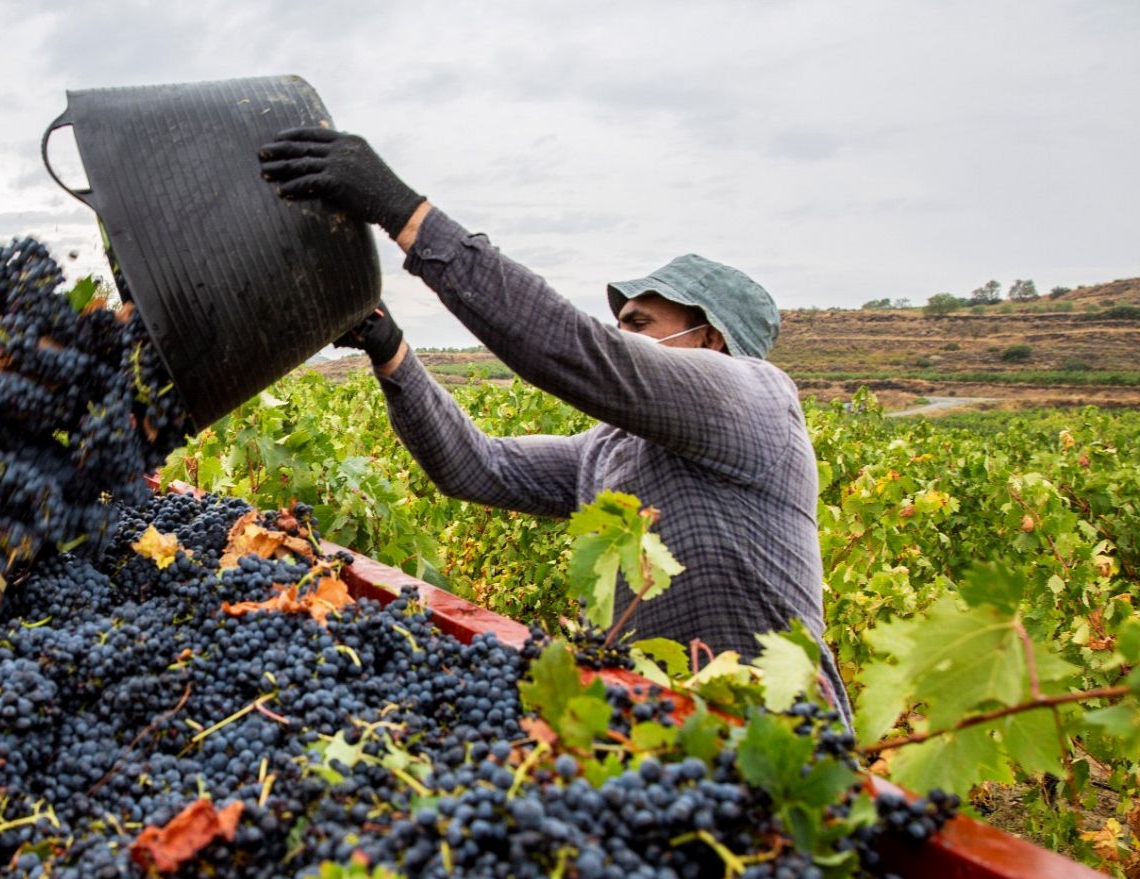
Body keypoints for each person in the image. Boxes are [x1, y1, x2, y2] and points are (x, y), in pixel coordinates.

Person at [258, 128, 851, 724]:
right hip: (658, 743)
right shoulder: (608, 452)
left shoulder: (756, 398)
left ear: (709, 338)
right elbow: (476, 467)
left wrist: (406, 215)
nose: (622, 336)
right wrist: (391, 351)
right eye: (618, 323)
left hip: (781, 737)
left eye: (639, 322)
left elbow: (577, 351)